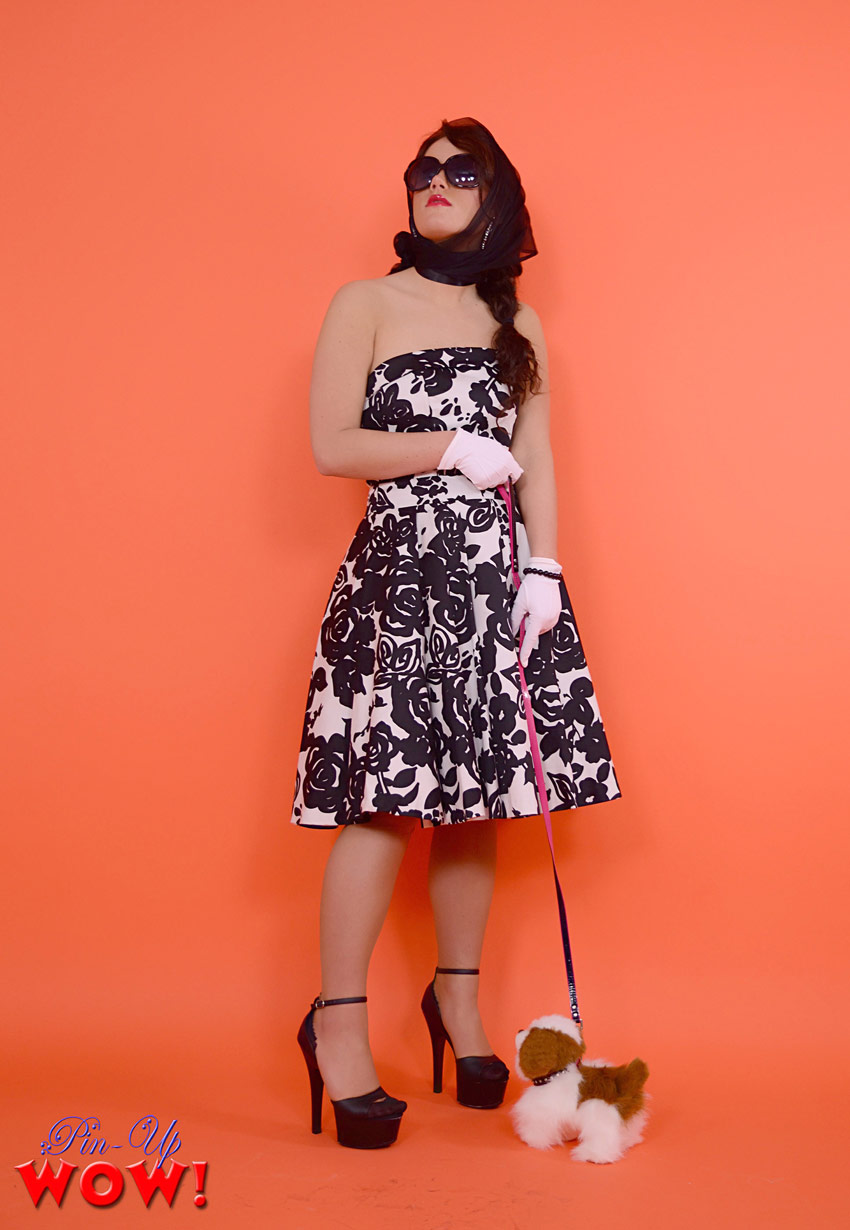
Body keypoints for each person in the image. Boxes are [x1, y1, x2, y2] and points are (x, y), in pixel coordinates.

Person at [293, 117, 622, 1149]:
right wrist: (446, 446)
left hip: (495, 582)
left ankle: (458, 1003)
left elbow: (540, 456)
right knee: (383, 802)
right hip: (401, 579)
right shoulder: (366, 302)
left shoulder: (518, 323)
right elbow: (330, 443)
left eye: (460, 170)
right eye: (422, 170)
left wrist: (545, 569)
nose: (435, 181)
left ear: (496, 197)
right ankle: (337, 1025)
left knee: (479, 798)